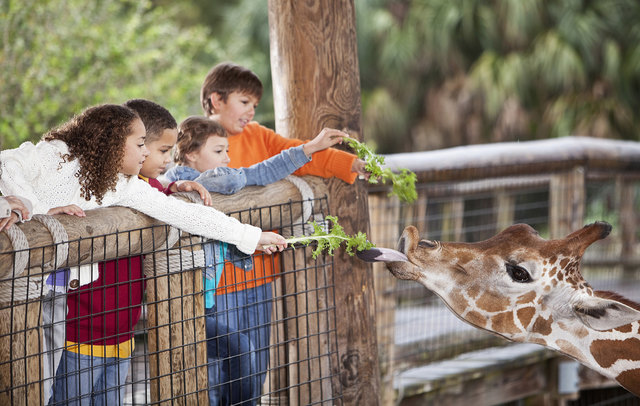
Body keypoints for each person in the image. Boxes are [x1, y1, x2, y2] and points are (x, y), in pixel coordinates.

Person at [0, 103, 286, 405]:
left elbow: (184, 214)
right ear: (112, 141)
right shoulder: (56, 153)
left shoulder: (124, 185)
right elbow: (6, 163)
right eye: (139, 144)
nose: (145, 153)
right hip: (29, 299)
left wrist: (251, 236)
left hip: (62, 302)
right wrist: (32, 207)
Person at [199, 62, 368, 393]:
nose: (250, 111)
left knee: (255, 367)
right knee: (218, 371)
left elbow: (303, 155)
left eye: (254, 105)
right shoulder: (195, 139)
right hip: (217, 282)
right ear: (216, 100)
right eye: (244, 102)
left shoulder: (259, 135)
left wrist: (351, 163)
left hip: (260, 275)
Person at [164, 115, 348, 405]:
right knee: (234, 358)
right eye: (219, 151)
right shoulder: (214, 179)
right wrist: (309, 148)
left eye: (227, 150)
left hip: (200, 298)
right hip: (197, 300)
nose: (228, 157)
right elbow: (260, 172)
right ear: (191, 154)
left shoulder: (170, 183)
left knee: (220, 365)